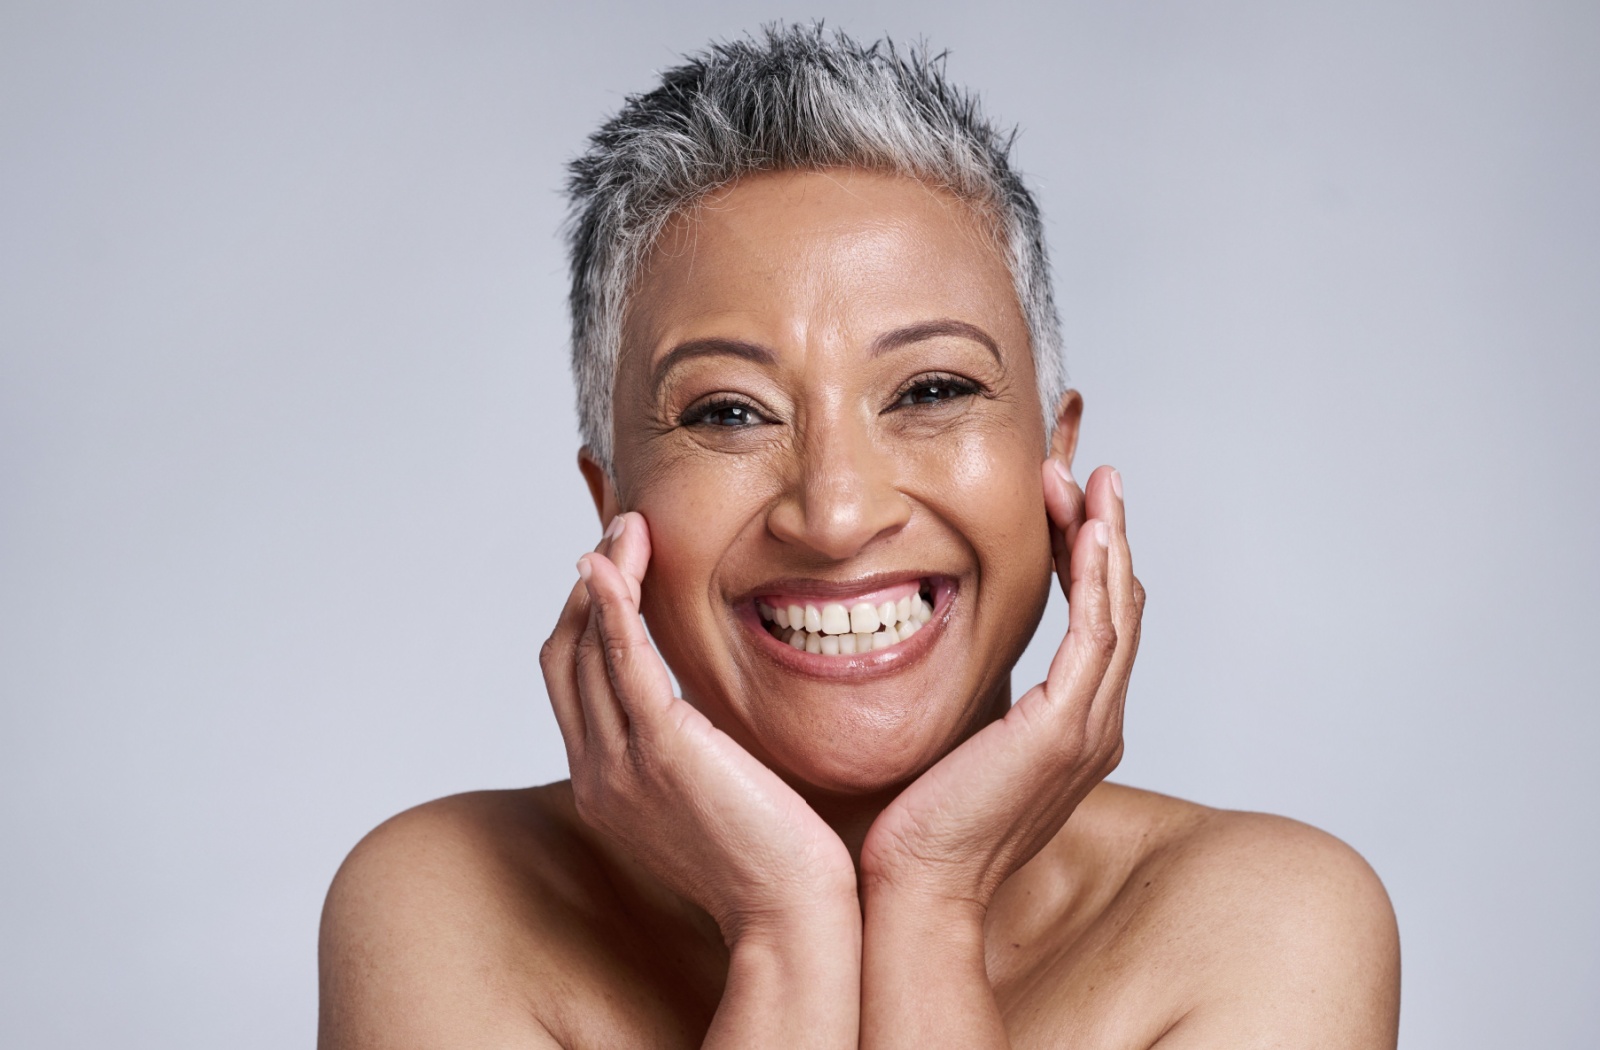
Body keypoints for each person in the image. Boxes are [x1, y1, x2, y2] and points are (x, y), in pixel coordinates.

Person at [317, 26, 1400, 1048]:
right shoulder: (445, 901)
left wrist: (933, 896)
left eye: (930, 389)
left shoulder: (1268, 924)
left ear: (1054, 463)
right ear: (612, 504)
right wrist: (784, 929)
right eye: (728, 412)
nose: (834, 515)